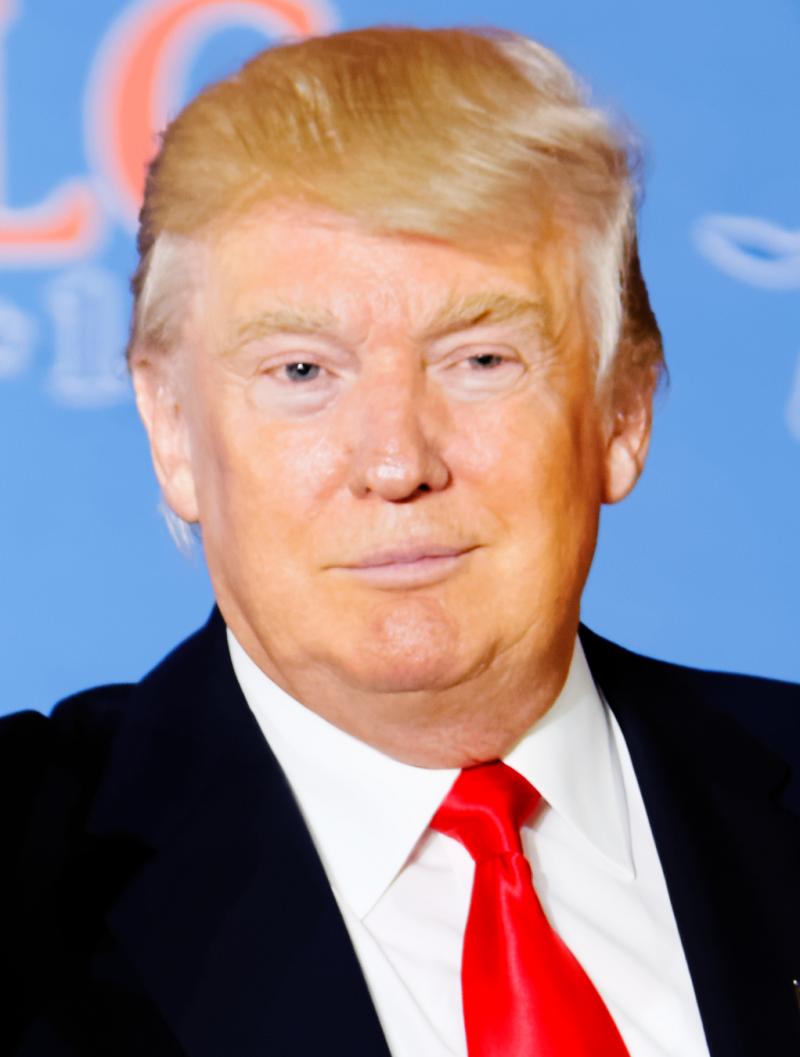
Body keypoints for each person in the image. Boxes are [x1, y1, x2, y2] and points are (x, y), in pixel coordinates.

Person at [1, 25, 798, 1057]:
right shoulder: (30, 876)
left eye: (481, 360)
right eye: (301, 371)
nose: (396, 462)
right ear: (172, 432)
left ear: (622, 412)